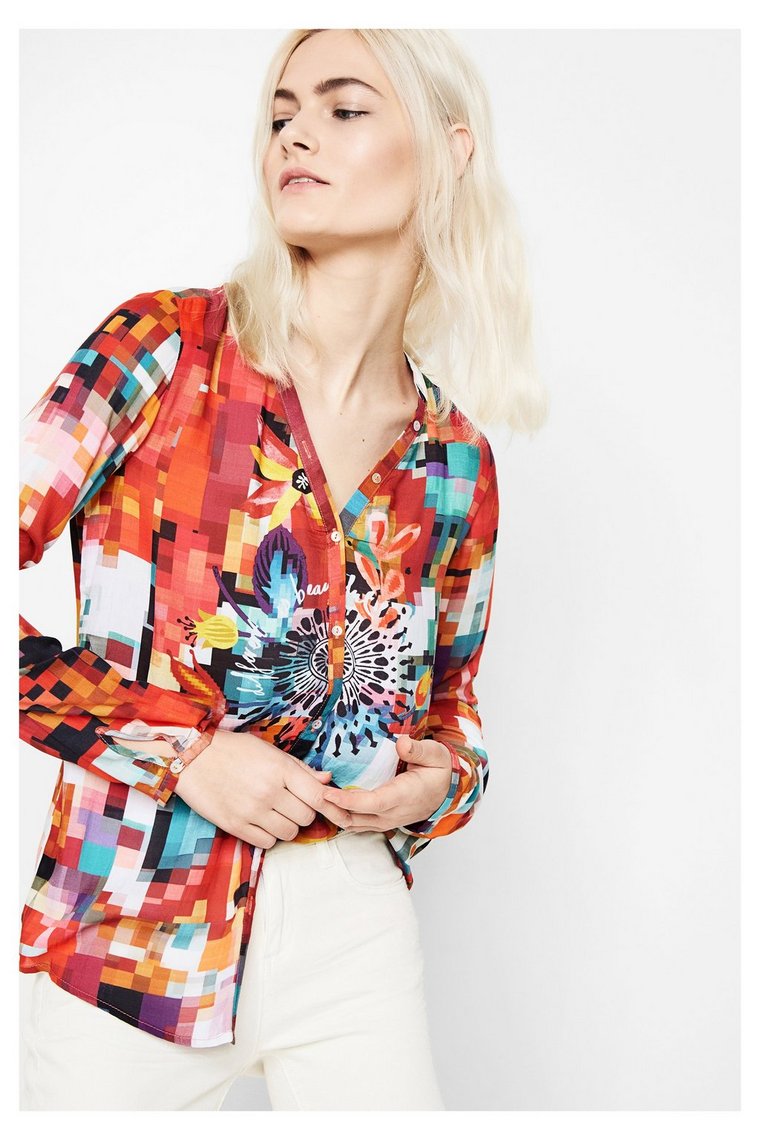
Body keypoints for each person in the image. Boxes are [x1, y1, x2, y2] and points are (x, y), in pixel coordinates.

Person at [18, 28, 548, 1111]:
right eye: (281, 114)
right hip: (132, 924)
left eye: (345, 109)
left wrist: (440, 782)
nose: (295, 134)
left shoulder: (454, 463)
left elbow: (455, 709)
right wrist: (182, 751)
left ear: (448, 152)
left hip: (353, 925)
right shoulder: (163, 351)